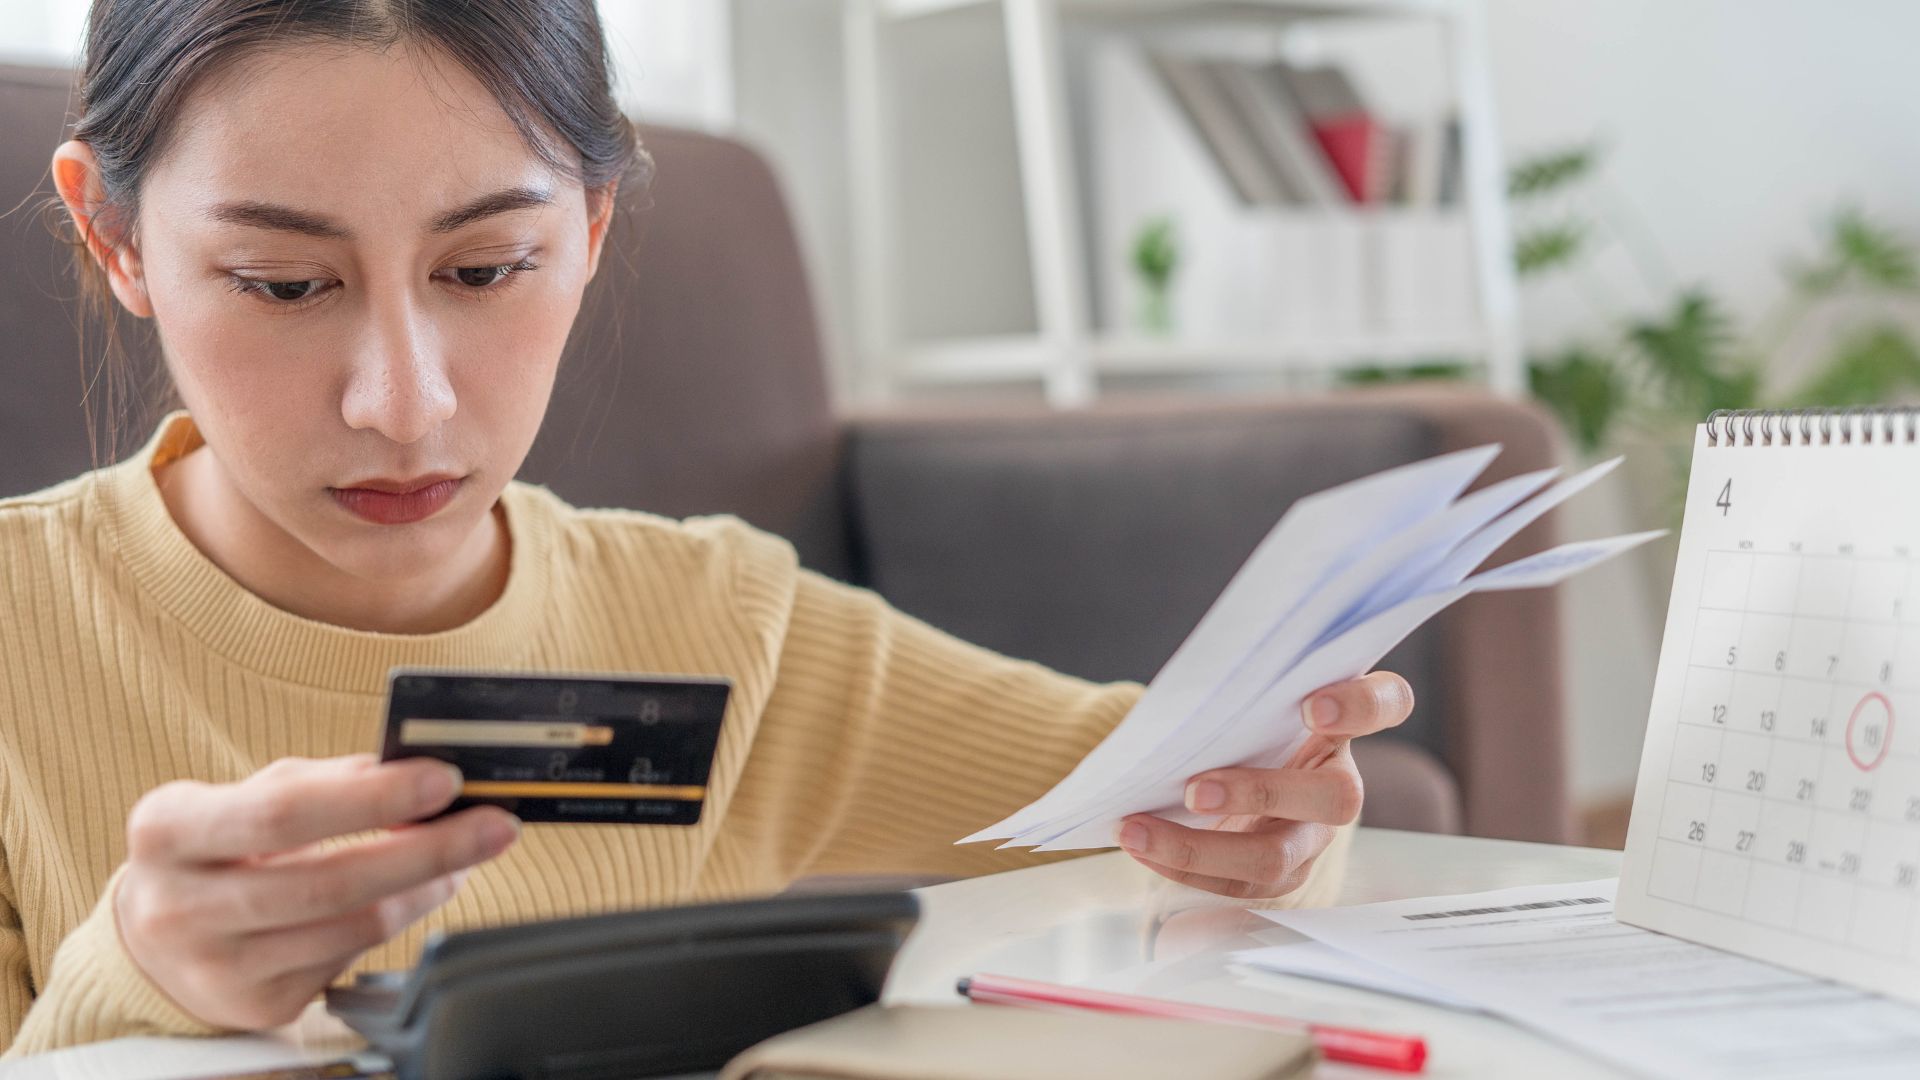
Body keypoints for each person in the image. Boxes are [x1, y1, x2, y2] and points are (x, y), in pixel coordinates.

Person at [0, 0, 1413, 1058]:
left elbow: (1187, 797)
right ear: (112, 237)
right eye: (284, 283)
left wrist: (1275, 817)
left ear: (597, 226)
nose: (405, 402)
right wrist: (138, 977)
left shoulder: (718, 627)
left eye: (489, 266)